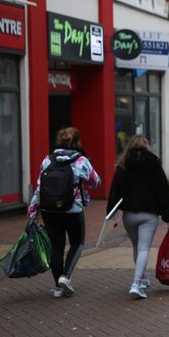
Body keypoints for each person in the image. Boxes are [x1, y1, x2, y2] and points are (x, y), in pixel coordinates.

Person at [27, 127, 101, 297]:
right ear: (77, 142)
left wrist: (32, 213)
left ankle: (58, 287)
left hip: (49, 209)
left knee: (56, 246)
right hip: (72, 209)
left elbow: (39, 188)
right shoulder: (81, 161)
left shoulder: (48, 160)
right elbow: (96, 181)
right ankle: (65, 277)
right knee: (77, 242)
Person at [107, 135, 169, 299]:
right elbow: (163, 192)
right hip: (149, 215)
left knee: (137, 247)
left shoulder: (123, 166)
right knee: (144, 248)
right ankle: (137, 283)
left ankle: (143, 278)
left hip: (129, 215)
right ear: (146, 146)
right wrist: (168, 216)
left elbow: (114, 192)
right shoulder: (154, 165)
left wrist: (111, 213)